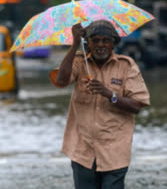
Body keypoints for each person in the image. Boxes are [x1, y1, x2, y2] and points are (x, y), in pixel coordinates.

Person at [49, 20, 150, 189]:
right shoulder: (80, 61)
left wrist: (109, 94)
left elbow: (137, 105)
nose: (100, 45)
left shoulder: (127, 66)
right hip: (82, 150)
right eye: (95, 40)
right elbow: (61, 80)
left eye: (106, 40)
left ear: (113, 43)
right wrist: (74, 45)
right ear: (87, 43)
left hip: (115, 151)